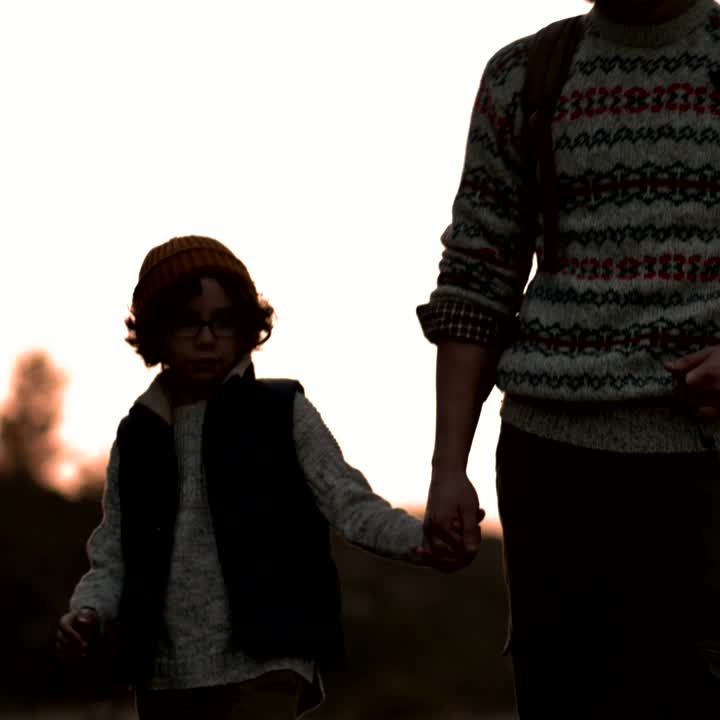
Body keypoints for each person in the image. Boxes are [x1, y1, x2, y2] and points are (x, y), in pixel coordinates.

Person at [417, 0, 720, 715]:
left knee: (680, 699)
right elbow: (474, 285)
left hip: (703, 461)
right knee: (558, 699)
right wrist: (447, 469)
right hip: (547, 457)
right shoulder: (524, 74)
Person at [56, 235, 443, 719]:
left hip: (269, 657)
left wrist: (424, 539)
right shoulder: (138, 436)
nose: (206, 337)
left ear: (246, 327)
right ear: (155, 332)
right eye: (187, 322)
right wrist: (88, 612)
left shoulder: (282, 411)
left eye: (223, 321)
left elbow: (349, 502)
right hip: (165, 672)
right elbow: (113, 555)